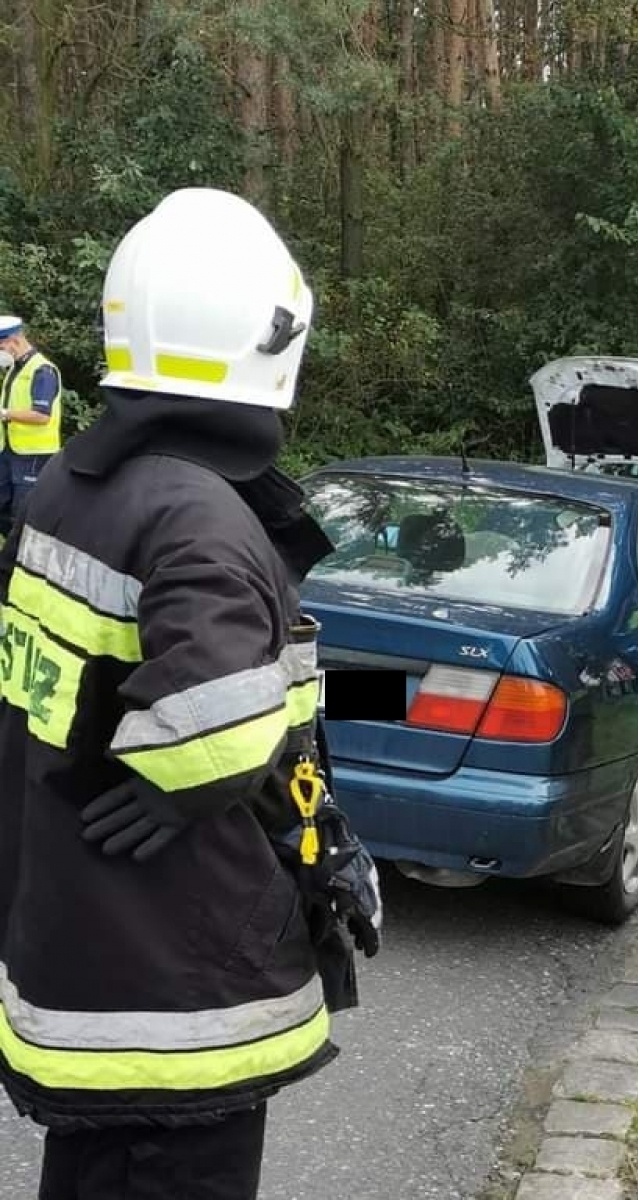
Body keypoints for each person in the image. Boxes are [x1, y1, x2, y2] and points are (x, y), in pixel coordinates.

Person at [0, 188, 370, 1200]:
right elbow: (218, 726)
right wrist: (189, 774)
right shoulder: (199, 516)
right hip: (175, 987)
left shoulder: (72, 487)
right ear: (269, 341)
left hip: (84, 954)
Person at [0, 315, 63, 534]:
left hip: (33, 455)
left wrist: (5, 414)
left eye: (0, 347)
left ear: (14, 342)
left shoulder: (43, 371)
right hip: (9, 450)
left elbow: (41, 415)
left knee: (22, 511)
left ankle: (17, 559)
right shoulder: (14, 368)